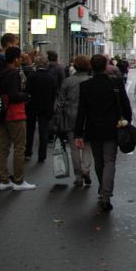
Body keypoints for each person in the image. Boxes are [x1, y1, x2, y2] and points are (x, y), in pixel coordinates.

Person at [75, 54, 132, 211]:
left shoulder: (86, 86)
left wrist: (78, 134)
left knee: (99, 161)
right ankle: (106, 194)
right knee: (110, 162)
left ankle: (102, 189)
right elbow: (125, 105)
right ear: (106, 66)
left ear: (91, 67)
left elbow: (82, 112)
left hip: (93, 129)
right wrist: (128, 121)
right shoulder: (115, 83)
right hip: (112, 128)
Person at [0, 46, 35, 190]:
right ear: (16, 59)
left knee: (3, 147)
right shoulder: (13, 74)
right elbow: (14, 95)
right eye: (20, 59)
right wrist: (27, 96)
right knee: (19, 147)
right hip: (15, 113)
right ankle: (19, 180)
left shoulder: (0, 73)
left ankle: (4, 179)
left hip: (2, 113)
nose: (20, 61)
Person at [56, 55, 93, 187]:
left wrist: (57, 118)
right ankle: (86, 169)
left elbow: (60, 102)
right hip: (88, 119)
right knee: (87, 146)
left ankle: (78, 176)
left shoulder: (68, 81)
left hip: (71, 117)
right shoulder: (91, 81)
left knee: (74, 147)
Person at [26, 56, 58, 163]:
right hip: (45, 106)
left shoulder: (32, 76)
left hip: (32, 106)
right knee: (43, 131)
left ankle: (28, 152)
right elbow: (54, 93)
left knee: (30, 130)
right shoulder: (51, 77)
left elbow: (27, 91)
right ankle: (42, 155)